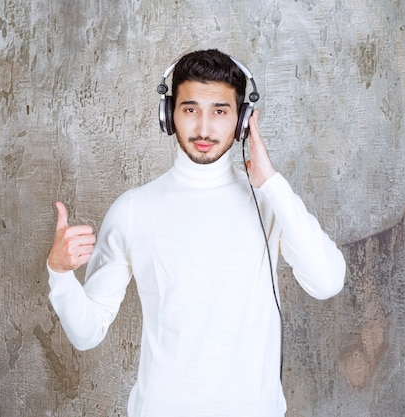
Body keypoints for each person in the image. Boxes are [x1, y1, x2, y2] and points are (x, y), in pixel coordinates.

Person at [46, 49, 346, 417]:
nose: (204, 128)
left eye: (220, 112)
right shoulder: (133, 209)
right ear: (169, 115)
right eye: (190, 109)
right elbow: (86, 332)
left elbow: (327, 281)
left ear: (243, 121)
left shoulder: (271, 201)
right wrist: (60, 275)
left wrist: (271, 183)